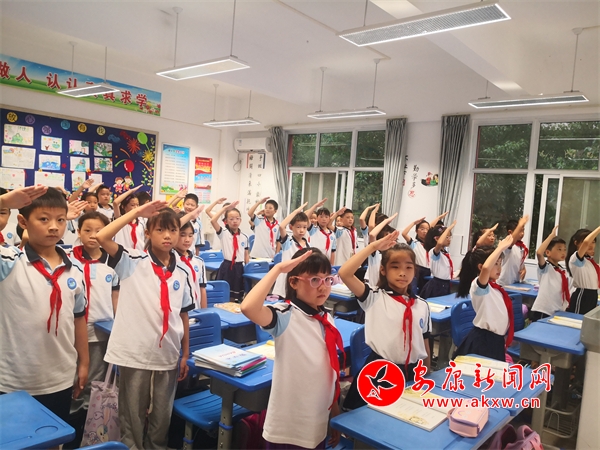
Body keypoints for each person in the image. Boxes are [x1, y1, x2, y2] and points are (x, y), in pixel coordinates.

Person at [96, 201, 194, 449]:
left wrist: (185, 353)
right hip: (135, 352)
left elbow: (183, 314)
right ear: (148, 233)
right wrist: (137, 212)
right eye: (160, 230)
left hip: (168, 352)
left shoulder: (183, 270)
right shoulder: (132, 260)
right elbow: (102, 236)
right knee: (132, 414)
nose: (167, 236)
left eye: (173, 230)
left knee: (162, 414)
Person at [0, 185, 89, 423]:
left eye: (60, 220)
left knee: (54, 436)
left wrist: (84, 362)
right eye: (43, 219)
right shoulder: (8, 261)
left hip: (60, 377)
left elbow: (79, 318)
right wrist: (4, 202)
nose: (53, 227)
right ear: (23, 221)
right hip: (13, 380)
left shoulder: (75, 268)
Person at [241, 248, 342, 449]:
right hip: (288, 427)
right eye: (314, 280)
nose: (323, 287)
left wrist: (335, 410)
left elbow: (328, 372)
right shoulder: (285, 315)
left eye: (327, 279)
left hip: (317, 421)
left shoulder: (326, 318)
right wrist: (278, 269)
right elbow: (248, 308)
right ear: (294, 282)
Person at [339, 231, 432, 409]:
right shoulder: (374, 297)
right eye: (395, 267)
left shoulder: (422, 305)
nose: (402, 273)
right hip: (380, 372)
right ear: (383, 270)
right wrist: (373, 246)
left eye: (408, 267)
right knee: (370, 418)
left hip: (412, 371)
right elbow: (345, 273)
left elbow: (425, 341)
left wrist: (426, 372)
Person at [69, 211, 119, 415]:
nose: (92, 235)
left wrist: (117, 326)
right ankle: (71, 416)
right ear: (78, 231)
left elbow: (116, 297)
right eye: (87, 230)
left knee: (95, 379)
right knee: (73, 378)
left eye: (99, 231)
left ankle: (88, 420)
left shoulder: (113, 261)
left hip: (100, 332)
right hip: (71, 332)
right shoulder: (69, 259)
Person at [455, 235, 515, 361]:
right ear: (480, 267)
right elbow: (487, 268)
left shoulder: (495, 288)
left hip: (496, 340)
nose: (499, 268)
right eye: (496, 264)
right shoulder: (479, 287)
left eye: (500, 263)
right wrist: (500, 248)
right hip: (483, 341)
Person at [272, 200, 325, 298]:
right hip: (285, 281)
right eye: (298, 227)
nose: (301, 230)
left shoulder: (308, 244)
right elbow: (282, 226)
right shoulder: (288, 242)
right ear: (291, 227)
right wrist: (296, 211)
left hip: (299, 280)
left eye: (304, 227)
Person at [210, 201, 249, 301]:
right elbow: (213, 221)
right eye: (231, 219)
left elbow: (246, 254)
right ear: (226, 221)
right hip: (227, 267)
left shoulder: (244, 236)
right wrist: (225, 208)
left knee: (236, 295)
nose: (235, 221)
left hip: (239, 267)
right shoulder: (223, 233)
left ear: (240, 220)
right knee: (225, 293)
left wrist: (247, 267)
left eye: (237, 218)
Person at [530, 226, 571, 321]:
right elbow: (539, 253)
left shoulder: (562, 270)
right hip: (543, 310)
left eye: (564, 249)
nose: (563, 252)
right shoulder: (546, 267)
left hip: (556, 310)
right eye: (559, 249)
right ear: (548, 252)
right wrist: (551, 236)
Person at [401, 212, 448, 291]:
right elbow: (404, 233)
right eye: (422, 229)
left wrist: (439, 218)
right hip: (419, 270)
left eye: (427, 229)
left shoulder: (430, 244)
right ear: (416, 231)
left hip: (430, 270)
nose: (425, 231)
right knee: (418, 290)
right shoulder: (414, 243)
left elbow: (431, 227)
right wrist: (414, 223)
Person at [175, 213, 208, 309]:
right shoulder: (170, 260)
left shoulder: (199, 261)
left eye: (190, 235)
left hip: (196, 311)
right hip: (178, 311)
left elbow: (202, 289)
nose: (187, 240)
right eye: (182, 235)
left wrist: (203, 312)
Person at [566, 225, 600, 315]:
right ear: (576, 243)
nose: (591, 245)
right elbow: (586, 242)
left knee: (587, 321)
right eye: (589, 242)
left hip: (593, 295)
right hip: (582, 295)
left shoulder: (590, 261)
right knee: (578, 320)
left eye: (593, 242)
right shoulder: (575, 259)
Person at [419, 221, 456, 299]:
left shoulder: (445, 252)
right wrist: (448, 228)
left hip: (446, 283)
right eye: (446, 237)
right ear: (436, 238)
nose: (449, 239)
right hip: (437, 284)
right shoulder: (434, 252)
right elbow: (439, 243)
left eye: (450, 237)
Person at [497, 216, 529, 286]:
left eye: (523, 230)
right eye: (519, 231)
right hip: (503, 283)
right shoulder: (506, 242)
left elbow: (520, 263)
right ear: (510, 232)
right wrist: (520, 225)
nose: (522, 233)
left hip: (514, 283)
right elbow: (511, 241)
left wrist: (524, 269)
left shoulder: (521, 247)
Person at [112, 186, 145, 252]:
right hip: (123, 254)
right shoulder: (120, 220)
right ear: (123, 206)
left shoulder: (141, 221)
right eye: (132, 205)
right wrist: (131, 191)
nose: (136, 207)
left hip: (139, 255)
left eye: (137, 205)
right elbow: (115, 203)